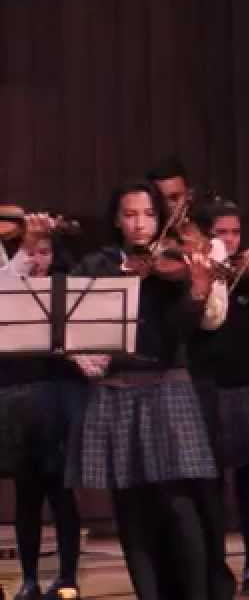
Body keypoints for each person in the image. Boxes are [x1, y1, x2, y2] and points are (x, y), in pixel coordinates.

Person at [66, 181, 234, 600]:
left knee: (178, 502)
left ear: (161, 220)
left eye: (148, 215)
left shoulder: (174, 267)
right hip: (116, 391)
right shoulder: (96, 265)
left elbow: (179, 333)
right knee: (130, 506)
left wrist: (197, 290)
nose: (140, 224)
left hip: (166, 388)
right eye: (130, 215)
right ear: (116, 220)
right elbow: (71, 321)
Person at [188, 198, 249, 596]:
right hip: (209, 385)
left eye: (234, 233)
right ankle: (214, 565)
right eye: (220, 234)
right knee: (209, 487)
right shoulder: (198, 275)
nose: (230, 242)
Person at [0, 216, 85, 600]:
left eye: (45, 252)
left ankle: (67, 578)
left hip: (57, 399)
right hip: (17, 400)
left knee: (61, 492)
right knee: (27, 493)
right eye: (31, 252)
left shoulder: (63, 294)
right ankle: (30, 579)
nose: (38, 259)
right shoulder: (7, 291)